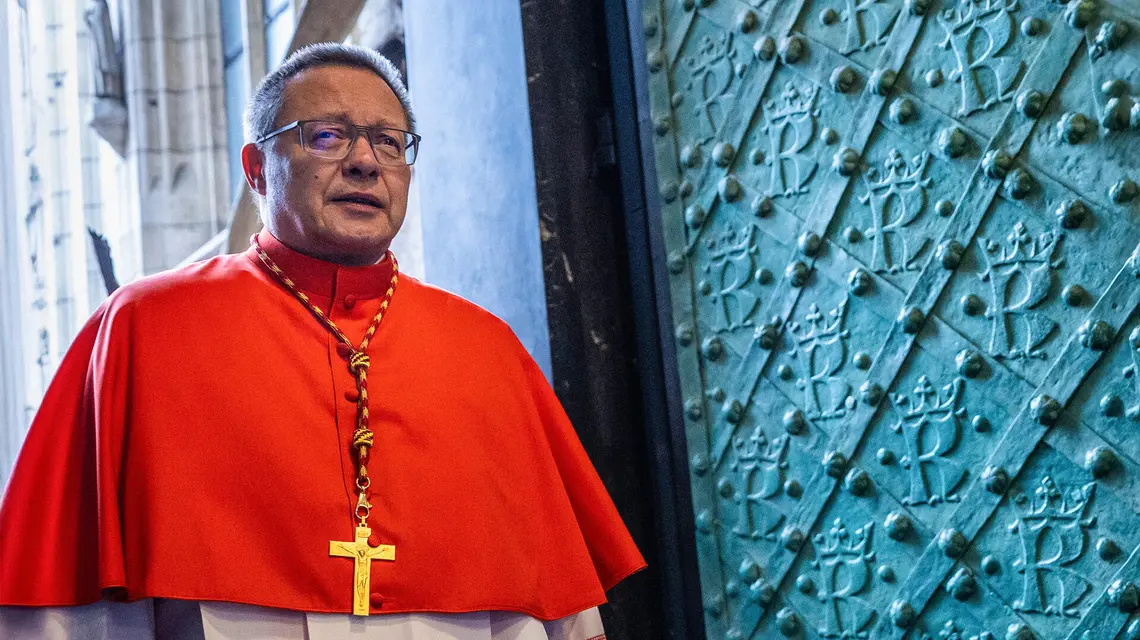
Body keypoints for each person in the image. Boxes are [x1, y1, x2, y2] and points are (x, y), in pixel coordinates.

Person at [0, 43, 645, 639]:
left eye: (391, 143)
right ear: (257, 167)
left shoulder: (487, 349)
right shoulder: (146, 327)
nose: (366, 160)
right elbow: (59, 608)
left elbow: (566, 611)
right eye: (327, 136)